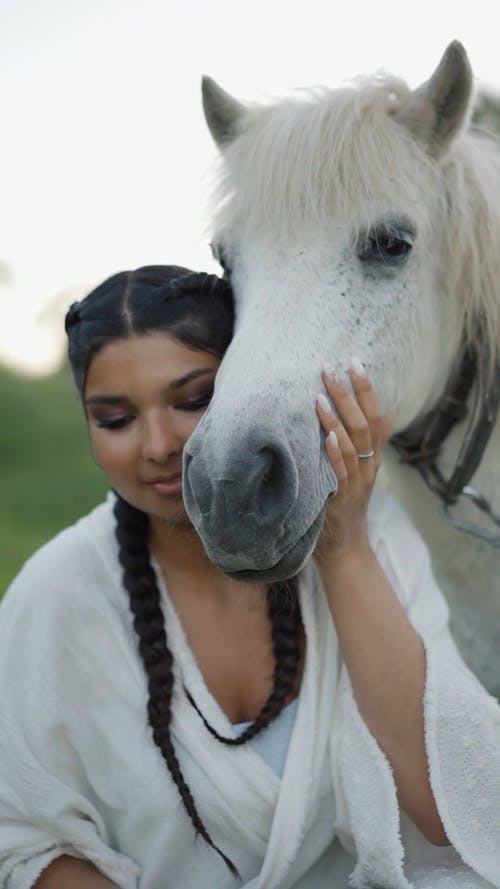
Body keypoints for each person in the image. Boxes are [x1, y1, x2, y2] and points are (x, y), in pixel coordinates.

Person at [0, 264, 498, 889]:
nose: (157, 444)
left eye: (192, 400)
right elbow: (25, 840)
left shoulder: (377, 541)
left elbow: (454, 812)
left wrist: (344, 553)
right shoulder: (56, 594)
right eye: (115, 419)